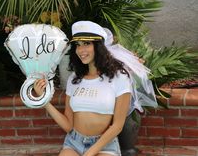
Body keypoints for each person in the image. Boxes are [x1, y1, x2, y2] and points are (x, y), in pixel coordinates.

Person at [33, 21, 157, 156]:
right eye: (78, 45)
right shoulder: (74, 79)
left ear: (98, 47)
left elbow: (117, 126)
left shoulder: (119, 78)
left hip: (104, 145)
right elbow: (68, 126)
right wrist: (44, 101)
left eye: (87, 44)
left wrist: (90, 153)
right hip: (74, 143)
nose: (81, 50)